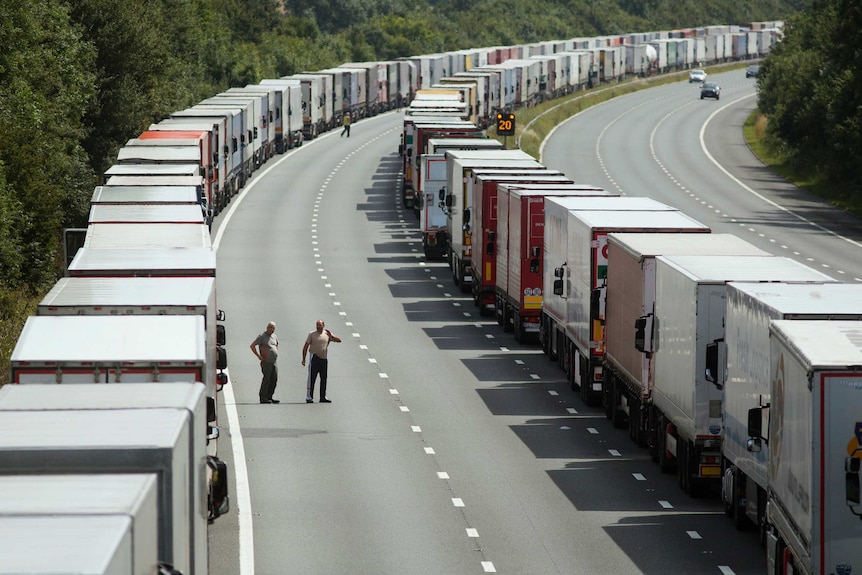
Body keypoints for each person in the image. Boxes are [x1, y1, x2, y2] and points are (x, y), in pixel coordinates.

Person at [302, 319, 342, 403]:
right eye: (317, 325)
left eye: (320, 325)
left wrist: (331, 336)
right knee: (312, 378)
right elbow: (306, 346)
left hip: (324, 359)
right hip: (314, 357)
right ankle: (309, 396)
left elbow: (339, 340)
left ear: (323, 325)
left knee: (324, 378)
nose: (318, 326)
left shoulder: (327, 334)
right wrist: (304, 358)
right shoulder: (312, 334)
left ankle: (323, 396)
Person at [250, 321, 280, 404]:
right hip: (266, 362)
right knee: (267, 379)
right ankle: (263, 397)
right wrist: (259, 356)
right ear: (267, 327)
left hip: (273, 361)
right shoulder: (262, 336)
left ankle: (269, 396)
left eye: (273, 328)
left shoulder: (274, 336)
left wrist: (276, 352)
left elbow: (276, 344)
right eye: (270, 327)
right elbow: (252, 346)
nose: (272, 329)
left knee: (274, 379)